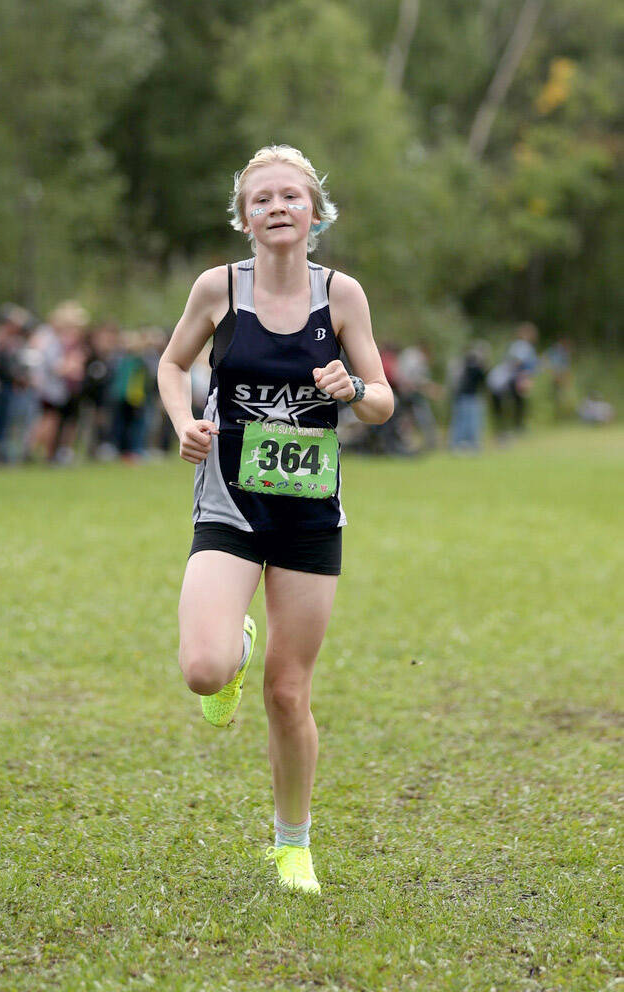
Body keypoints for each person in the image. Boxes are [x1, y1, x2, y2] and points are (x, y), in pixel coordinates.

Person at [157, 145, 393, 894]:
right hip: (229, 498)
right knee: (203, 670)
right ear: (246, 218)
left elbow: (384, 400)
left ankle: (294, 845)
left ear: (314, 212)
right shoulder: (218, 288)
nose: (278, 207)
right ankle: (235, 643)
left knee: (288, 693)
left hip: (309, 515)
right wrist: (182, 420)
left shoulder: (343, 296)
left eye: (292, 196)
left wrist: (351, 385)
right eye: (263, 199)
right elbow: (171, 364)